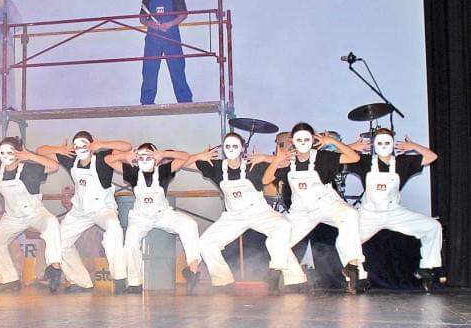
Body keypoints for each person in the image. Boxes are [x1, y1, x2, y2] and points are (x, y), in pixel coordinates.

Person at [182, 133, 307, 292]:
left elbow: (286, 162)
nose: (231, 149)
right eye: (227, 146)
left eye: (235, 146)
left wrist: (267, 157)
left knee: (283, 226)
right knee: (206, 243)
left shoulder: (253, 164)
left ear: (242, 148)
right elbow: (182, 164)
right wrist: (199, 155)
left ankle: (288, 277)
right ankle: (223, 282)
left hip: (259, 212)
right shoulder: (217, 166)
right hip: (233, 217)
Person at [262, 122, 364, 294]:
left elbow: (354, 158)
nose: (302, 142)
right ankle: (294, 278)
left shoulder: (323, 157)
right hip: (301, 212)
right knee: (274, 239)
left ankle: (352, 266)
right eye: (298, 138)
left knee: (351, 214)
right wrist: (277, 161)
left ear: (312, 139)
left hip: (327, 204)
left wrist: (332, 141)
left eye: (306, 138)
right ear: (293, 141)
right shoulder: (288, 161)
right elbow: (265, 180)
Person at [346, 128, 442, 291]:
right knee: (347, 241)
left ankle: (427, 268)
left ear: (392, 143)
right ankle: (359, 277)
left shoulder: (403, 163)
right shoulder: (363, 161)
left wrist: (413, 146)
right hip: (369, 214)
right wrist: (353, 146)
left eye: (387, 142)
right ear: (374, 145)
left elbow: (432, 157)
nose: (383, 146)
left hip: (394, 213)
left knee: (433, 227)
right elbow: (340, 157)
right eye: (379, 142)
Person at [36, 131, 131, 294]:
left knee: (114, 228)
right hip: (80, 211)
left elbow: (127, 147)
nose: (80, 148)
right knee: (59, 240)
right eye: (77, 145)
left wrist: (100, 144)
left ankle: (120, 278)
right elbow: (40, 151)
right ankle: (80, 281)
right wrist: (59, 149)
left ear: (92, 145)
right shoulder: (70, 159)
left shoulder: (103, 158)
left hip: (103, 209)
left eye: (84, 144)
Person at [0, 137, 62, 293]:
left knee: (52, 222)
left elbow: (53, 166)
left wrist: (29, 156)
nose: (6, 156)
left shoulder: (30, 168)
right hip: (12, 217)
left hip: (35, 212)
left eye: (10, 152)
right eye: (2, 152)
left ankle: (55, 268)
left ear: (19, 152)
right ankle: (10, 279)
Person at [105, 143, 201, 294]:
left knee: (190, 225)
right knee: (130, 243)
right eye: (141, 156)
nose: (144, 159)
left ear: (155, 158)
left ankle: (194, 271)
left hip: (163, 215)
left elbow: (185, 156)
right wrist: (124, 156)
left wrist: (163, 154)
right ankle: (135, 283)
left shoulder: (163, 171)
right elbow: (108, 160)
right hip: (140, 218)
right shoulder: (132, 172)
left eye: (148, 156)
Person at [139, 0, 193, 105]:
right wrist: (152, 24)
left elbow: (183, 14)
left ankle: (185, 100)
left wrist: (169, 24)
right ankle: (147, 102)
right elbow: (142, 18)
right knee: (149, 69)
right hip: (153, 38)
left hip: (171, 37)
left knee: (177, 68)